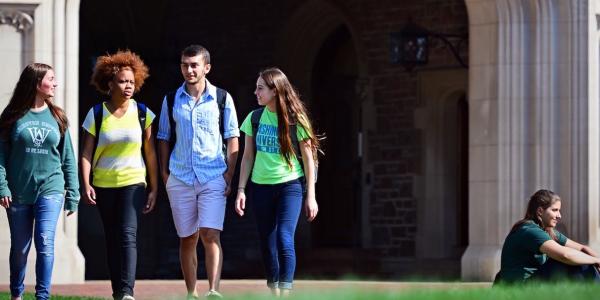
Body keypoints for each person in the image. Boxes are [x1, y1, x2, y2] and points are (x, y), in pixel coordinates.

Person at [157, 44, 239, 299]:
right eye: (185, 64)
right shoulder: (171, 99)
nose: (189, 70)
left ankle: (213, 290)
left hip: (212, 175)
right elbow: (162, 137)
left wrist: (229, 175)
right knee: (188, 238)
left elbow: (233, 136)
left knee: (210, 233)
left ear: (207, 67)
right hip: (179, 176)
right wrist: (164, 174)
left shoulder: (222, 98)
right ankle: (191, 292)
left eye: (194, 65)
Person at [80, 50, 158, 300]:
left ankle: (127, 291)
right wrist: (86, 184)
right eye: (123, 81)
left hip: (133, 182)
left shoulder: (143, 113)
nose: (128, 86)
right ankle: (117, 290)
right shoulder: (97, 114)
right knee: (112, 238)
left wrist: (155, 187)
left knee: (127, 234)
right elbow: (86, 153)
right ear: (110, 83)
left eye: (132, 82)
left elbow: (151, 153)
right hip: (103, 184)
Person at [235, 67, 320, 296]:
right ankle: (274, 290)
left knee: (284, 237)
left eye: (260, 88)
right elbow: (247, 156)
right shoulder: (253, 119)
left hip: (290, 186)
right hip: (260, 186)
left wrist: (311, 196)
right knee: (267, 241)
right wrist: (241, 189)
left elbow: (310, 161)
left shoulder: (296, 121)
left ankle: (286, 292)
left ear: (275, 90)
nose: (256, 92)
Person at [0, 63, 79, 300]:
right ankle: (17, 294)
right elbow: (0, 155)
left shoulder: (58, 116)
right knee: (20, 249)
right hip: (18, 191)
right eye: (51, 79)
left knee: (45, 242)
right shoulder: (12, 116)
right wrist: (2, 186)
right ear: (37, 83)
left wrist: (73, 192)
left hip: (51, 188)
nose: (55, 83)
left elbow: (68, 157)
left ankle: (42, 297)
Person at [494, 189, 600, 284]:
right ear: (540, 211)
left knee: (583, 260)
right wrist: (594, 260)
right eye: (555, 210)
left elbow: (582, 248)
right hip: (519, 287)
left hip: (534, 282)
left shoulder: (547, 231)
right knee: (579, 263)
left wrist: (597, 260)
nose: (559, 216)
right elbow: (565, 255)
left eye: (559, 210)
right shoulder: (529, 230)